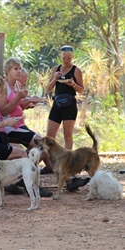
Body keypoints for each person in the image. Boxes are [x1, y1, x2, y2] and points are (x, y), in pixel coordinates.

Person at [0, 73, 52, 197]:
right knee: (24, 155)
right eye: (0, 91)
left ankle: (13, 183)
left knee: (18, 150)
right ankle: (30, 184)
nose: (0, 95)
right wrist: (6, 122)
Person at [0, 57, 54, 175]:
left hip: (19, 125)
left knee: (44, 146)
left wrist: (27, 103)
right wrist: (19, 97)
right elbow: (3, 111)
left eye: (20, 69)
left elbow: (17, 106)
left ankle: (21, 171)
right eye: (15, 69)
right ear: (7, 71)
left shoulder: (16, 84)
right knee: (43, 147)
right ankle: (22, 171)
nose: (19, 72)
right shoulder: (3, 86)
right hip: (9, 127)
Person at [46, 45, 89, 191]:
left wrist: (73, 84)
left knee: (67, 136)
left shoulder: (76, 70)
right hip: (57, 103)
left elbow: (82, 89)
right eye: (64, 58)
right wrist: (55, 78)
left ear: (73, 57)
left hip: (70, 103)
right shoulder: (55, 69)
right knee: (50, 136)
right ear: (60, 57)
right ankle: (51, 164)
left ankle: (67, 165)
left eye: (69, 58)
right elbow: (49, 88)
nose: (66, 61)